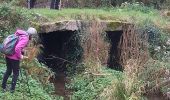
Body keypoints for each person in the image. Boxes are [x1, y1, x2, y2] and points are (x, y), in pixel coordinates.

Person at [1, 27, 37, 93]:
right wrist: (20, 56)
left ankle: (3, 86)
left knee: (8, 70)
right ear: (31, 35)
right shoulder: (25, 38)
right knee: (16, 73)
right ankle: (12, 90)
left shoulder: (19, 34)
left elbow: (15, 44)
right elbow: (17, 48)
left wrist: (22, 50)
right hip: (14, 58)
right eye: (33, 36)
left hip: (8, 54)